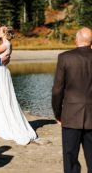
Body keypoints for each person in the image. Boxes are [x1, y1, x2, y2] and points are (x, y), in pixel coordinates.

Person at [0, 25, 37, 145]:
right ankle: (0, 119)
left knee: (1, 96)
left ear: (4, 33)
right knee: (2, 96)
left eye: (0, 30)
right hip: (1, 71)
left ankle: (2, 122)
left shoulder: (5, 44)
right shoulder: (7, 44)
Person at [52, 27, 92, 173]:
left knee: (70, 158)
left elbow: (57, 90)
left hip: (71, 115)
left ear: (77, 40)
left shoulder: (65, 57)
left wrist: (57, 113)